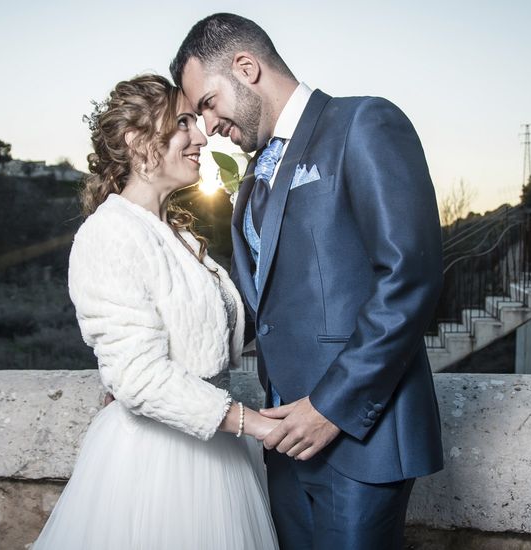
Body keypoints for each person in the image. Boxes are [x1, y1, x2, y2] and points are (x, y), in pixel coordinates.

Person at [172, 13, 446, 549]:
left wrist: (330, 408)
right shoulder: (251, 177)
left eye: (207, 103)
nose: (206, 127)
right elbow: (265, 308)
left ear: (246, 67)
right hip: (284, 441)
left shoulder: (364, 123)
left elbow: (409, 277)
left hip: (361, 437)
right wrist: (149, 369)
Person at [32, 74, 279, 550]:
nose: (202, 136)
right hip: (158, 466)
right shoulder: (108, 235)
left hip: (216, 451)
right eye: (184, 122)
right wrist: (255, 423)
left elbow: (216, 332)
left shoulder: (179, 235)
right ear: (137, 140)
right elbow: (139, 377)